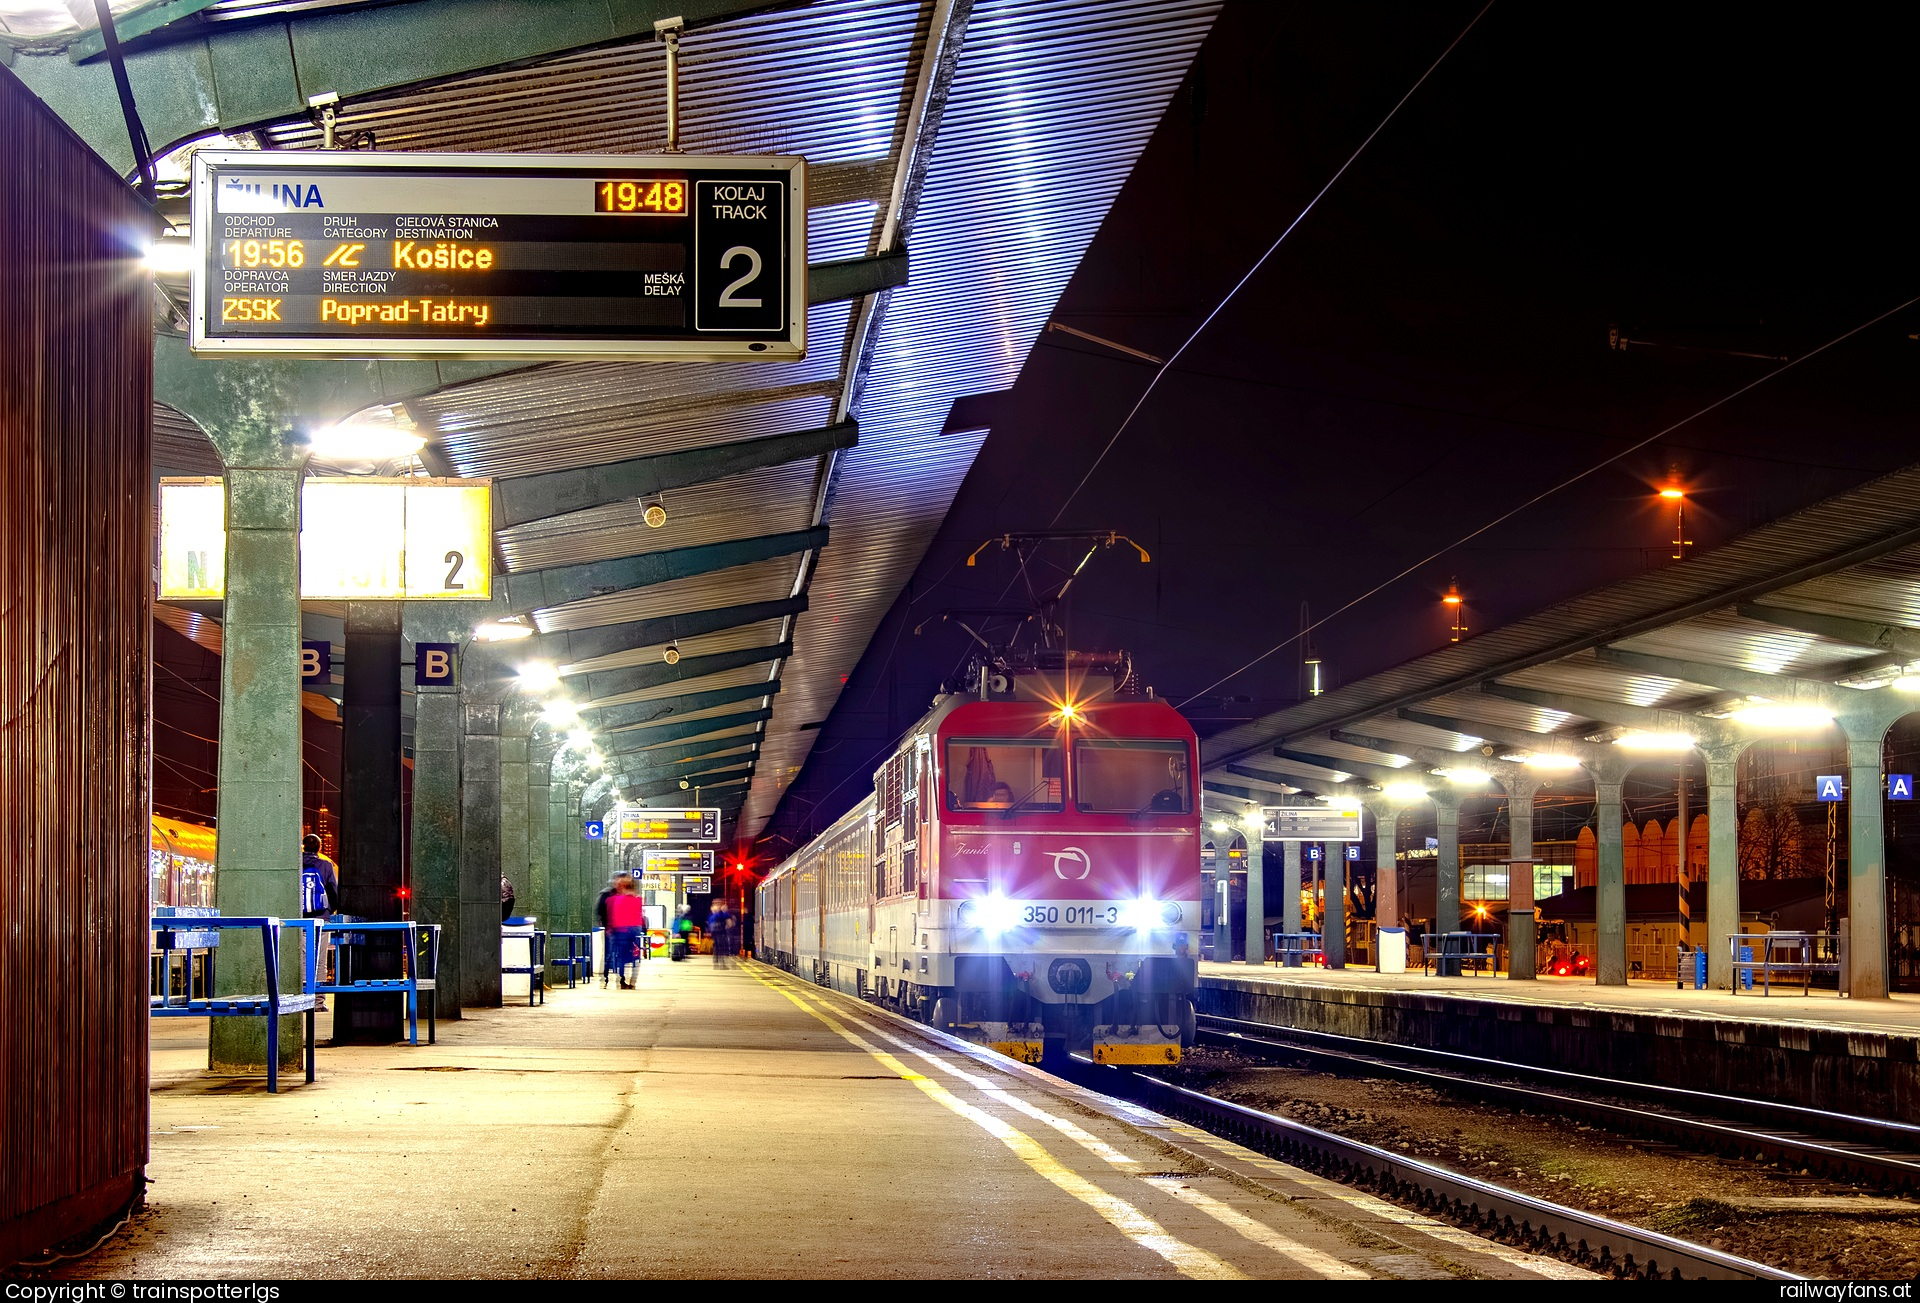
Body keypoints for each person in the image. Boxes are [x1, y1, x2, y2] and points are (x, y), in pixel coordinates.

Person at [605, 877, 646, 989]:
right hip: (635, 930)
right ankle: (633, 981)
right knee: (636, 955)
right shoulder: (638, 899)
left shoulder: (619, 899)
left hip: (621, 930)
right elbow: (639, 916)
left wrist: (612, 928)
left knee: (621, 957)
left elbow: (616, 915)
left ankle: (622, 979)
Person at [300, 834, 339, 918]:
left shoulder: (295, 864)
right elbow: (333, 892)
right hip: (321, 916)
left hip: (299, 917)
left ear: (303, 846)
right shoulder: (326, 865)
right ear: (319, 848)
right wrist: (328, 910)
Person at [708, 900, 734, 967]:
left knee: (716, 946)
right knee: (721, 946)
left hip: (714, 931)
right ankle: (721, 962)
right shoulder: (723, 913)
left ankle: (716, 960)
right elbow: (729, 923)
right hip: (721, 931)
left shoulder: (712, 914)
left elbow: (709, 923)